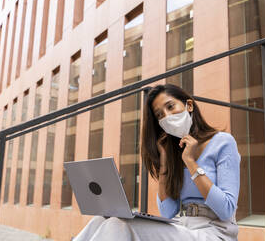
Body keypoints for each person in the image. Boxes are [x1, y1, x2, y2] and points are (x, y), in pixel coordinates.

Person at [73, 84, 241, 241]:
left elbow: (226, 209)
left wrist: (190, 162)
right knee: (103, 218)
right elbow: (168, 212)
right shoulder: (175, 153)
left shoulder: (223, 142)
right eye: (160, 115)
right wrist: (164, 165)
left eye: (170, 107)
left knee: (119, 225)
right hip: (180, 225)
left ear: (189, 105)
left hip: (214, 231)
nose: (167, 117)